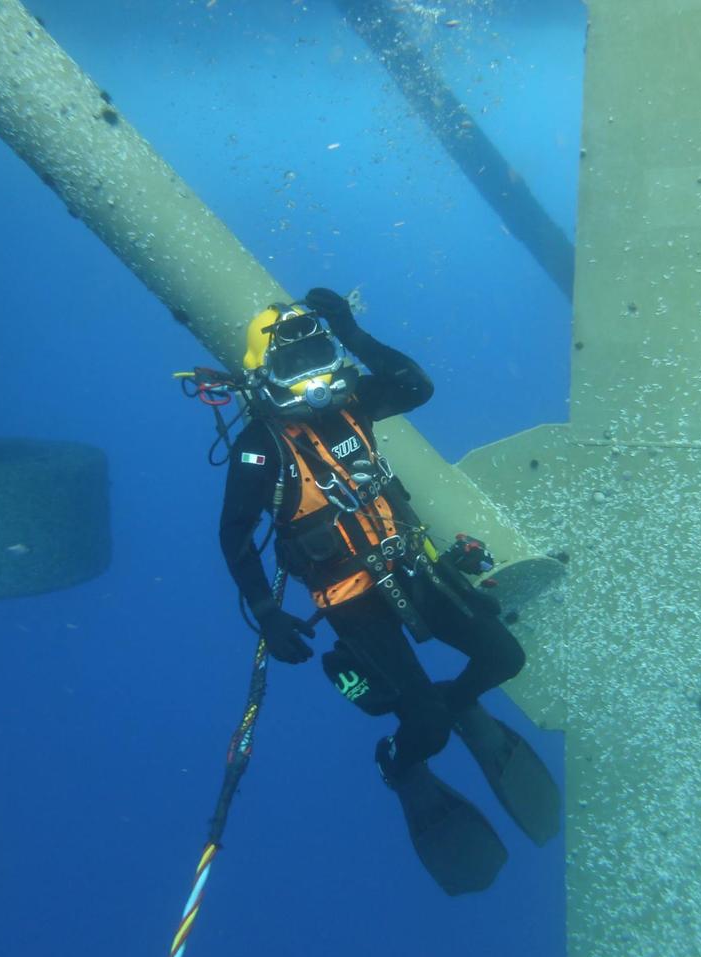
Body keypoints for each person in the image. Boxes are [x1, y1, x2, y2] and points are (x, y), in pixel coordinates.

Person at [217, 287, 560, 894]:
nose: (316, 378)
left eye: (320, 356)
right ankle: (400, 765)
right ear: (264, 374)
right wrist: (267, 610)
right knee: (422, 729)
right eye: (296, 366)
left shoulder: (354, 404)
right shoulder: (259, 447)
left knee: (504, 656)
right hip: (350, 600)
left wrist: (350, 329)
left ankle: (456, 703)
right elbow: (234, 535)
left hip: (410, 569)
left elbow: (414, 384)